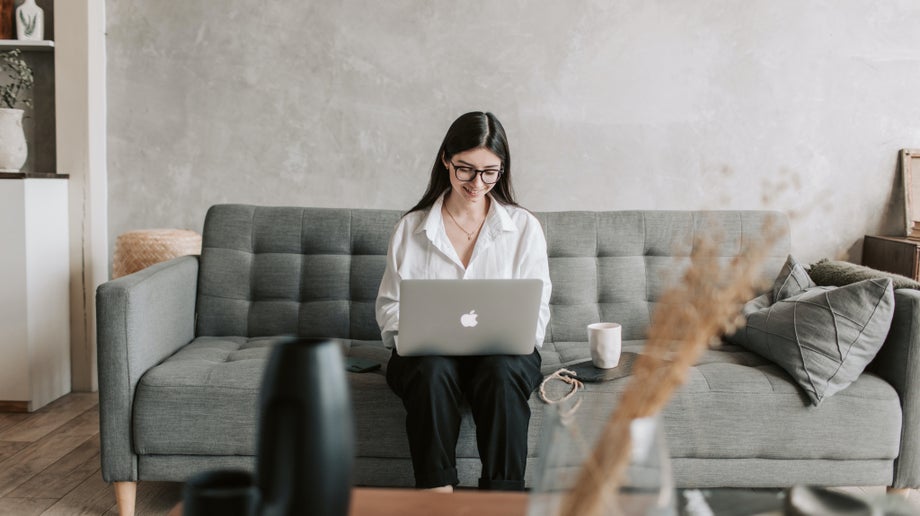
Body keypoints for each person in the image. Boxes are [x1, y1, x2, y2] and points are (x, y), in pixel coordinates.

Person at [375, 111, 552, 492]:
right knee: (431, 372)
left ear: (502, 169)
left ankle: (503, 499)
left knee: (502, 373)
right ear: (445, 160)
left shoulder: (524, 228)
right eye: (466, 170)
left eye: (490, 172)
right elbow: (389, 307)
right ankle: (437, 495)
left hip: (503, 356)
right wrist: (416, 331)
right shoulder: (411, 228)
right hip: (428, 358)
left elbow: (535, 311)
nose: (477, 183)